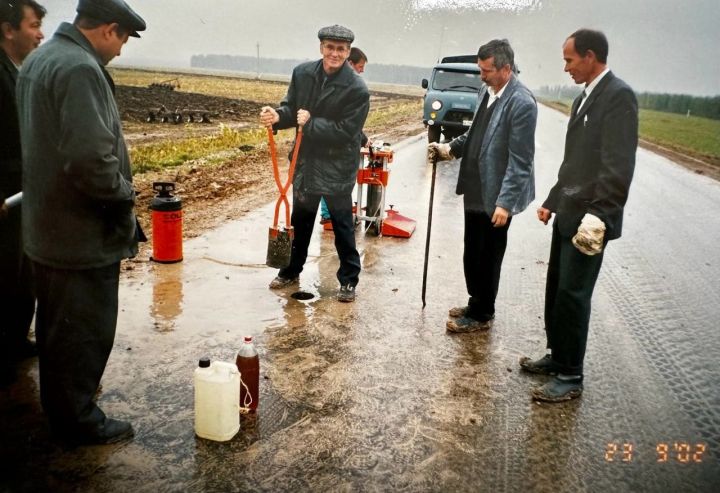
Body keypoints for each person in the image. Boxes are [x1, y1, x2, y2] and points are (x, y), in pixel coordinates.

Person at [16, 0, 146, 444]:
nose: (121, 50)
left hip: (46, 227)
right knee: (83, 331)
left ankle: (61, 406)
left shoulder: (41, 59)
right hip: (80, 234)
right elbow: (91, 161)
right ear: (109, 29)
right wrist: (125, 193)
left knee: (57, 326)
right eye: (123, 38)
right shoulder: (80, 69)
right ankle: (76, 421)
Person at [520, 29, 638, 402]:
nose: (566, 67)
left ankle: (571, 376)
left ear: (590, 56)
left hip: (590, 220)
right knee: (557, 288)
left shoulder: (618, 97)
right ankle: (558, 357)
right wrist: (553, 200)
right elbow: (575, 163)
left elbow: (616, 166)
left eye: (570, 59)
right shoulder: (582, 99)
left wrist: (601, 215)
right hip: (569, 213)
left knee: (573, 294)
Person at [428, 39, 537, 333]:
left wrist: (505, 203)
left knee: (488, 254)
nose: (481, 75)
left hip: (498, 193)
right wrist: (448, 149)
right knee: (472, 250)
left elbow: (521, 161)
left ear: (505, 68)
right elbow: (475, 134)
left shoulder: (522, 102)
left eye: (486, 70)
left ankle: (481, 314)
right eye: (480, 69)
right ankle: (476, 301)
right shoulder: (485, 91)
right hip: (476, 186)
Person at [260, 25, 370, 303]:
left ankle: (348, 280)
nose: (335, 53)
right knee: (301, 221)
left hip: (336, 167)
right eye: (330, 47)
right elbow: (292, 108)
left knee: (342, 225)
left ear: (347, 53)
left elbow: (347, 131)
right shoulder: (302, 73)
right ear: (321, 47)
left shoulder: (357, 89)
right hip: (306, 163)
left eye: (341, 49)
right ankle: (290, 270)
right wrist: (277, 117)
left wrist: (310, 124)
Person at [0, 0, 45, 386]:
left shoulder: (15, 72)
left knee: (18, 272)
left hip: (18, 196)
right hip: (4, 196)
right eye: (33, 25)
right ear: (8, 29)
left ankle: (13, 342)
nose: (40, 34)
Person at [319, 45, 370, 225]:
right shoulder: (341, 86)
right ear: (349, 62)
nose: (361, 71)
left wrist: (362, 138)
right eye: (360, 67)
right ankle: (328, 216)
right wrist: (362, 138)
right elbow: (343, 124)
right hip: (331, 144)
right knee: (329, 180)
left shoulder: (351, 86)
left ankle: (332, 214)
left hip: (339, 141)